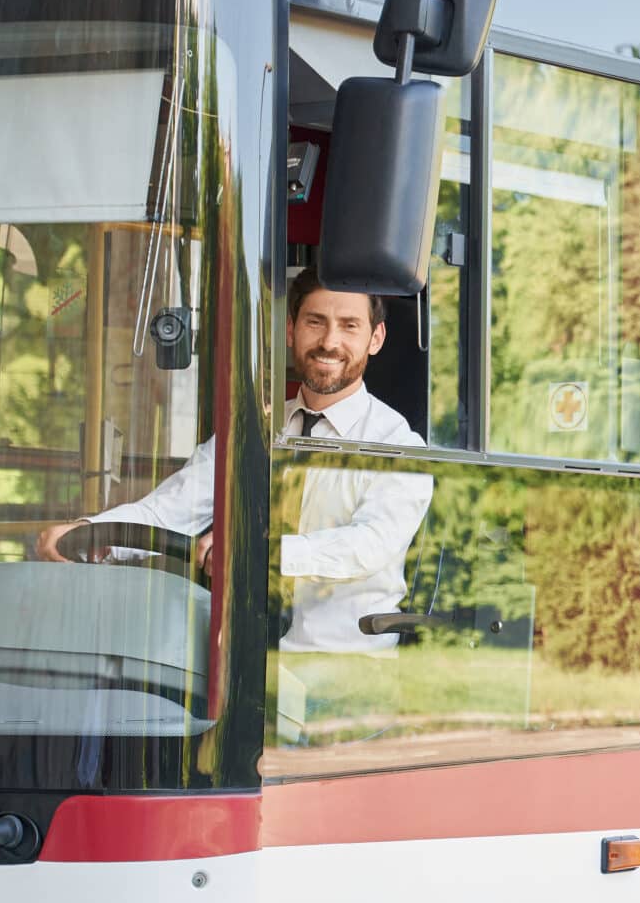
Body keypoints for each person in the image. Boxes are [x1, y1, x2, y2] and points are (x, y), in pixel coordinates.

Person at [35, 271, 433, 653]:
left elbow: (367, 546)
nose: (329, 341)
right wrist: (93, 530)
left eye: (349, 326)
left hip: (340, 677)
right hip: (238, 667)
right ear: (291, 330)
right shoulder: (252, 431)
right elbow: (173, 507)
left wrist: (253, 552)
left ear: (375, 338)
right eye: (316, 322)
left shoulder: (397, 445)